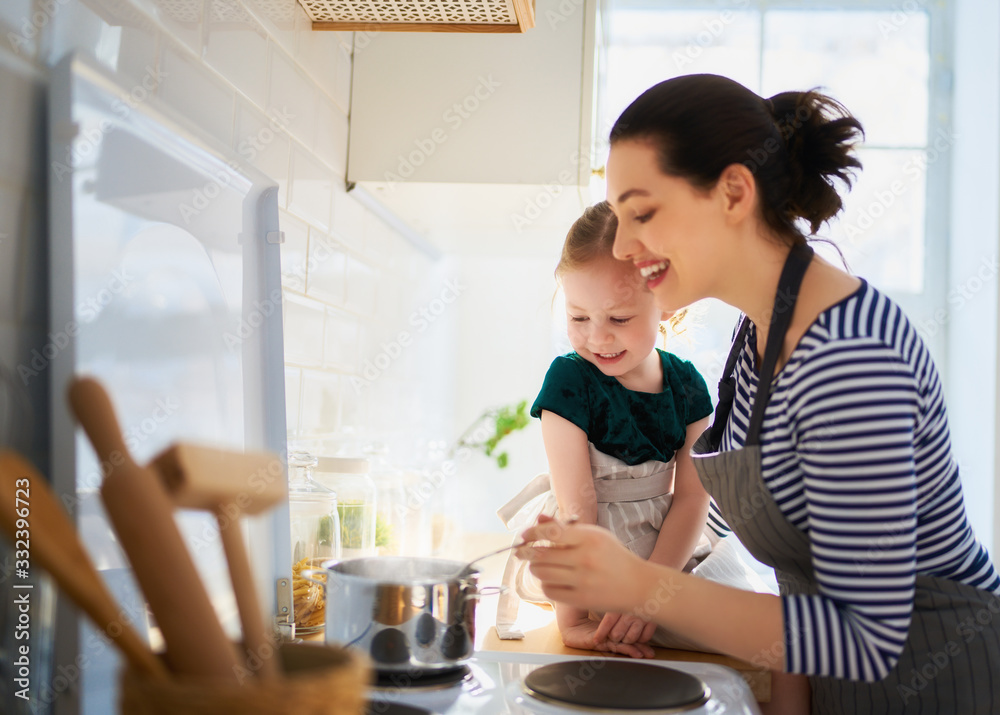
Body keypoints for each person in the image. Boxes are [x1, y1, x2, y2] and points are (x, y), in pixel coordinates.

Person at [517, 73, 1000, 715]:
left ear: (734, 194)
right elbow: (800, 571)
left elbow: (868, 636)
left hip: (937, 686)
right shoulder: (760, 334)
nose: (625, 247)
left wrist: (641, 585)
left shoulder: (850, 357)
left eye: (642, 213)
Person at [496, 201, 767, 658]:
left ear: (665, 305)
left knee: (740, 627)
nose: (597, 338)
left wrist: (655, 593)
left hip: (667, 550)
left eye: (619, 319)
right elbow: (575, 508)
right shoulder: (570, 380)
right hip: (587, 552)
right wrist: (574, 622)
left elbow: (691, 499)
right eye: (578, 317)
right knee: (625, 622)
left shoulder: (687, 386)